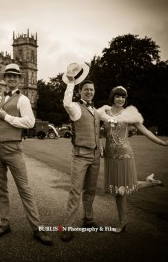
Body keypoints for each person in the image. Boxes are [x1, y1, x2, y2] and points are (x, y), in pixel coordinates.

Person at [0, 63, 53, 246]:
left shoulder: (23, 99)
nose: (11, 78)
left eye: (14, 76)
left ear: (19, 79)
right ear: (4, 78)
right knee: (1, 189)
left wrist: (6, 116)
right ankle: (4, 223)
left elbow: (30, 122)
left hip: (13, 148)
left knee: (24, 189)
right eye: (8, 75)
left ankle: (37, 228)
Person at [97, 86, 168, 233]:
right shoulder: (105, 113)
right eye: (118, 96)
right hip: (110, 157)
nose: (120, 99)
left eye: (123, 97)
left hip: (125, 155)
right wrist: (102, 147)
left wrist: (162, 143)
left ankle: (122, 223)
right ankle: (151, 183)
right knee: (123, 187)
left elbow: (144, 130)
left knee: (121, 190)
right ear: (112, 97)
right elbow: (102, 133)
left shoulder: (129, 115)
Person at [60, 62, 101, 242]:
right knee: (76, 191)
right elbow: (66, 103)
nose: (89, 92)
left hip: (95, 156)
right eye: (86, 89)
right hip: (80, 155)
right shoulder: (76, 108)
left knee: (90, 190)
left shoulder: (96, 111)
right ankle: (67, 227)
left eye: (91, 90)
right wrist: (70, 82)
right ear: (81, 91)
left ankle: (88, 219)